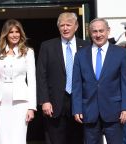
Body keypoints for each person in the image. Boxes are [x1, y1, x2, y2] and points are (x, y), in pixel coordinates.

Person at [71, 18, 126, 144]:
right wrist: (77, 108)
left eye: (101, 31)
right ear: (90, 33)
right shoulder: (80, 55)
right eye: (94, 31)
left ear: (108, 31)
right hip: (89, 112)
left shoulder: (121, 53)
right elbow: (76, 84)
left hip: (114, 112)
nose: (98, 35)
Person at [36, 12, 90, 144]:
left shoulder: (87, 46)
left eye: (68, 25)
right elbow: (41, 75)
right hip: (54, 103)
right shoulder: (47, 46)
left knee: (78, 138)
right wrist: (44, 101)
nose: (65, 28)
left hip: (79, 103)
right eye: (62, 25)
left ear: (76, 26)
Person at [0, 19, 36, 144]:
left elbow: (32, 81)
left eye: (17, 32)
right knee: (2, 137)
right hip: (0, 102)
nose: (15, 35)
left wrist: (31, 107)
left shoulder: (28, 52)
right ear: (5, 34)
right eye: (11, 32)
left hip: (21, 101)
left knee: (19, 137)